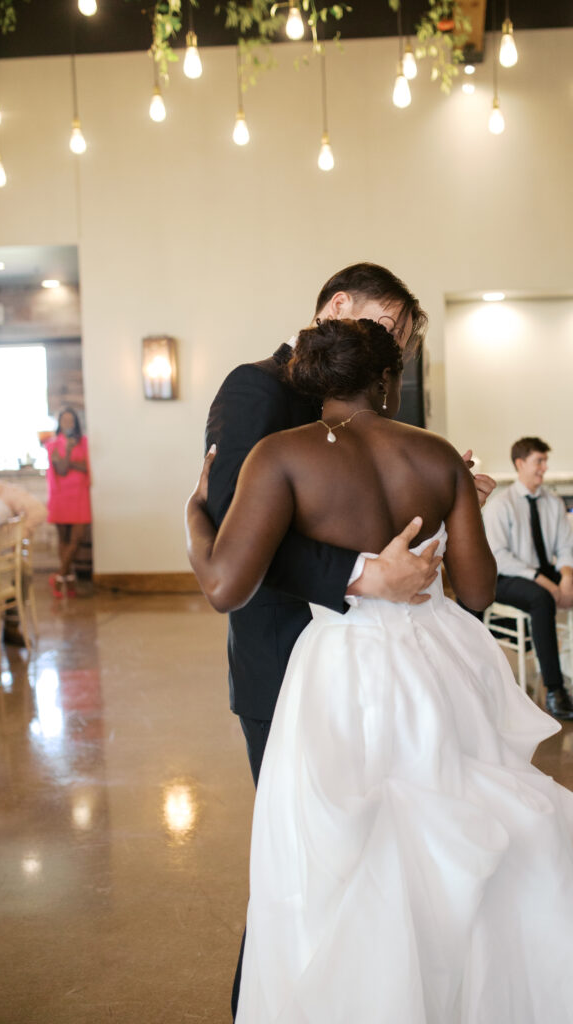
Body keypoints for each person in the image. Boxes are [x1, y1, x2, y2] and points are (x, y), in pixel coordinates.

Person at [186, 319, 573, 1024]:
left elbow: (226, 585)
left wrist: (198, 512)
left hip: (342, 667)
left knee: (345, 857)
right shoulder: (436, 456)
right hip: (438, 667)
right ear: (389, 381)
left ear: (314, 379)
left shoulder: (280, 457)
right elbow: (475, 589)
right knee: (464, 837)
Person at [203, 263, 494, 1017]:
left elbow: (228, 543)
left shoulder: (355, 433)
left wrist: (444, 506)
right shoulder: (257, 391)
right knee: (305, 862)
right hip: (290, 662)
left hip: (387, 670)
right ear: (338, 309)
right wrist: (365, 575)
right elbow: (250, 535)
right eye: (383, 329)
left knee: (403, 851)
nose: (386, 347)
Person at [481, 437, 573, 721]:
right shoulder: (500, 505)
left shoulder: (553, 502)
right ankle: (555, 689)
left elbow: (565, 548)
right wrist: (546, 582)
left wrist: (566, 578)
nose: (544, 467)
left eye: (544, 461)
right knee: (541, 598)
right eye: (538, 461)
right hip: (505, 577)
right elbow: (499, 556)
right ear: (520, 464)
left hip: (544, 570)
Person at [44, 408, 91, 597]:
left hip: (80, 495)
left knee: (76, 539)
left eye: (71, 420)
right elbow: (62, 469)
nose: (68, 423)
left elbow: (87, 466)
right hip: (61, 496)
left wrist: (72, 462)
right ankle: (69, 579)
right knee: (63, 541)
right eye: (64, 420)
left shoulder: (85, 442)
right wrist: (71, 454)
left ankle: (58, 576)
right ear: (60, 423)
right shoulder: (53, 445)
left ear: (76, 423)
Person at [0, 479, 47, 646]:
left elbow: (39, 511)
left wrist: (20, 535)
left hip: (3, 564)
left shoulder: (5, 493)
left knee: (20, 570)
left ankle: (12, 624)